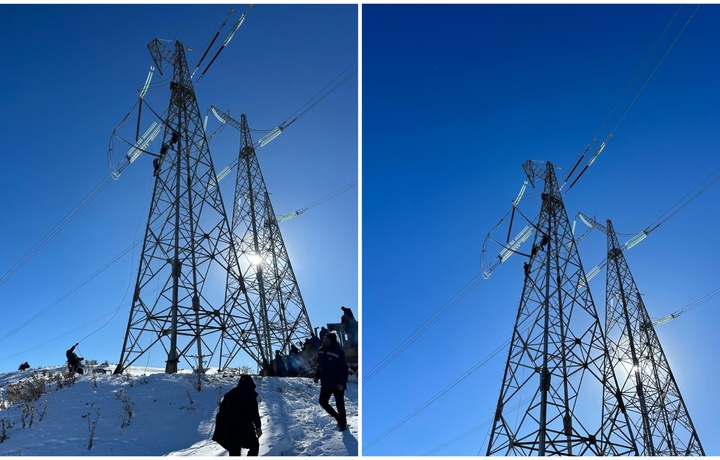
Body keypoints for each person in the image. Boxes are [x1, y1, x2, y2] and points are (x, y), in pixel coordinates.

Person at [213, 375, 262, 456]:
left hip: (229, 429)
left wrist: (220, 429)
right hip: (244, 428)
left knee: (234, 452)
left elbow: (221, 412)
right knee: (254, 445)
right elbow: (254, 412)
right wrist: (258, 427)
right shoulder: (250, 393)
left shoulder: (230, 394)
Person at [314, 332, 349, 431]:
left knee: (340, 405)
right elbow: (319, 365)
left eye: (326, 337)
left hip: (337, 384)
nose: (324, 338)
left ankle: (343, 424)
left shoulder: (338, 352)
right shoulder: (321, 351)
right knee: (323, 402)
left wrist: (342, 383)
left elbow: (343, 369)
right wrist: (317, 376)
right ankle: (338, 418)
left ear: (331, 339)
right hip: (325, 383)